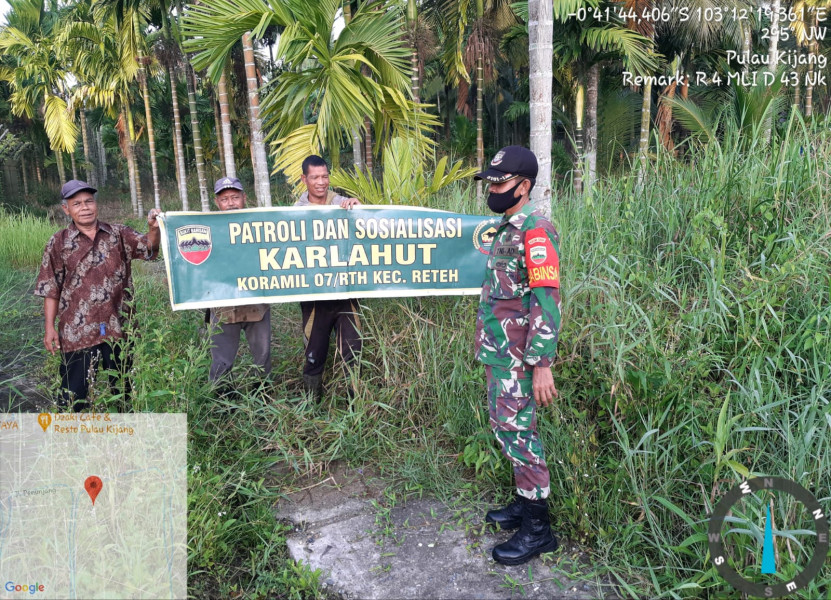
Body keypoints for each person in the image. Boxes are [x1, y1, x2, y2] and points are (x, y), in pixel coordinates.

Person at [473, 146, 562, 565]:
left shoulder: (536, 231)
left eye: (501, 182)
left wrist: (542, 364)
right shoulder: (507, 227)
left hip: (520, 359)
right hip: (499, 353)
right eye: (490, 182)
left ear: (524, 186)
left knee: (519, 434)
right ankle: (524, 502)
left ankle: (538, 531)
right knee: (507, 427)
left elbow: (547, 300)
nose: (493, 189)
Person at [35, 179, 160, 411]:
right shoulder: (58, 242)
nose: (84, 207)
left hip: (118, 327)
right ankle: (74, 440)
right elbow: (50, 288)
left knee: (122, 390)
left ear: (96, 204)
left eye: (89, 202)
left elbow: (149, 249)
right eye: (77, 203)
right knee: (73, 396)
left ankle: (123, 436)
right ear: (66, 209)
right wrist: (49, 327)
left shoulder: (119, 233)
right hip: (77, 331)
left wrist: (153, 229)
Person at [294, 155, 361, 400]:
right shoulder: (294, 214)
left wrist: (357, 206)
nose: (321, 182)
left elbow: (366, 229)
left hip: (346, 293)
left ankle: (356, 409)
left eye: (324, 176)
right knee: (314, 352)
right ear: (304, 179)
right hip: (314, 297)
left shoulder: (342, 203)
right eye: (315, 177)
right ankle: (312, 405)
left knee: (352, 352)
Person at [207, 177, 272, 387]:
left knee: (262, 360)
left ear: (245, 198)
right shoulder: (208, 230)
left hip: (257, 304)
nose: (231, 203)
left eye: (235, 197)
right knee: (221, 363)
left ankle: (262, 401)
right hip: (222, 306)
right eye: (225, 199)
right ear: (217, 203)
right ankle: (223, 406)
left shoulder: (260, 225)